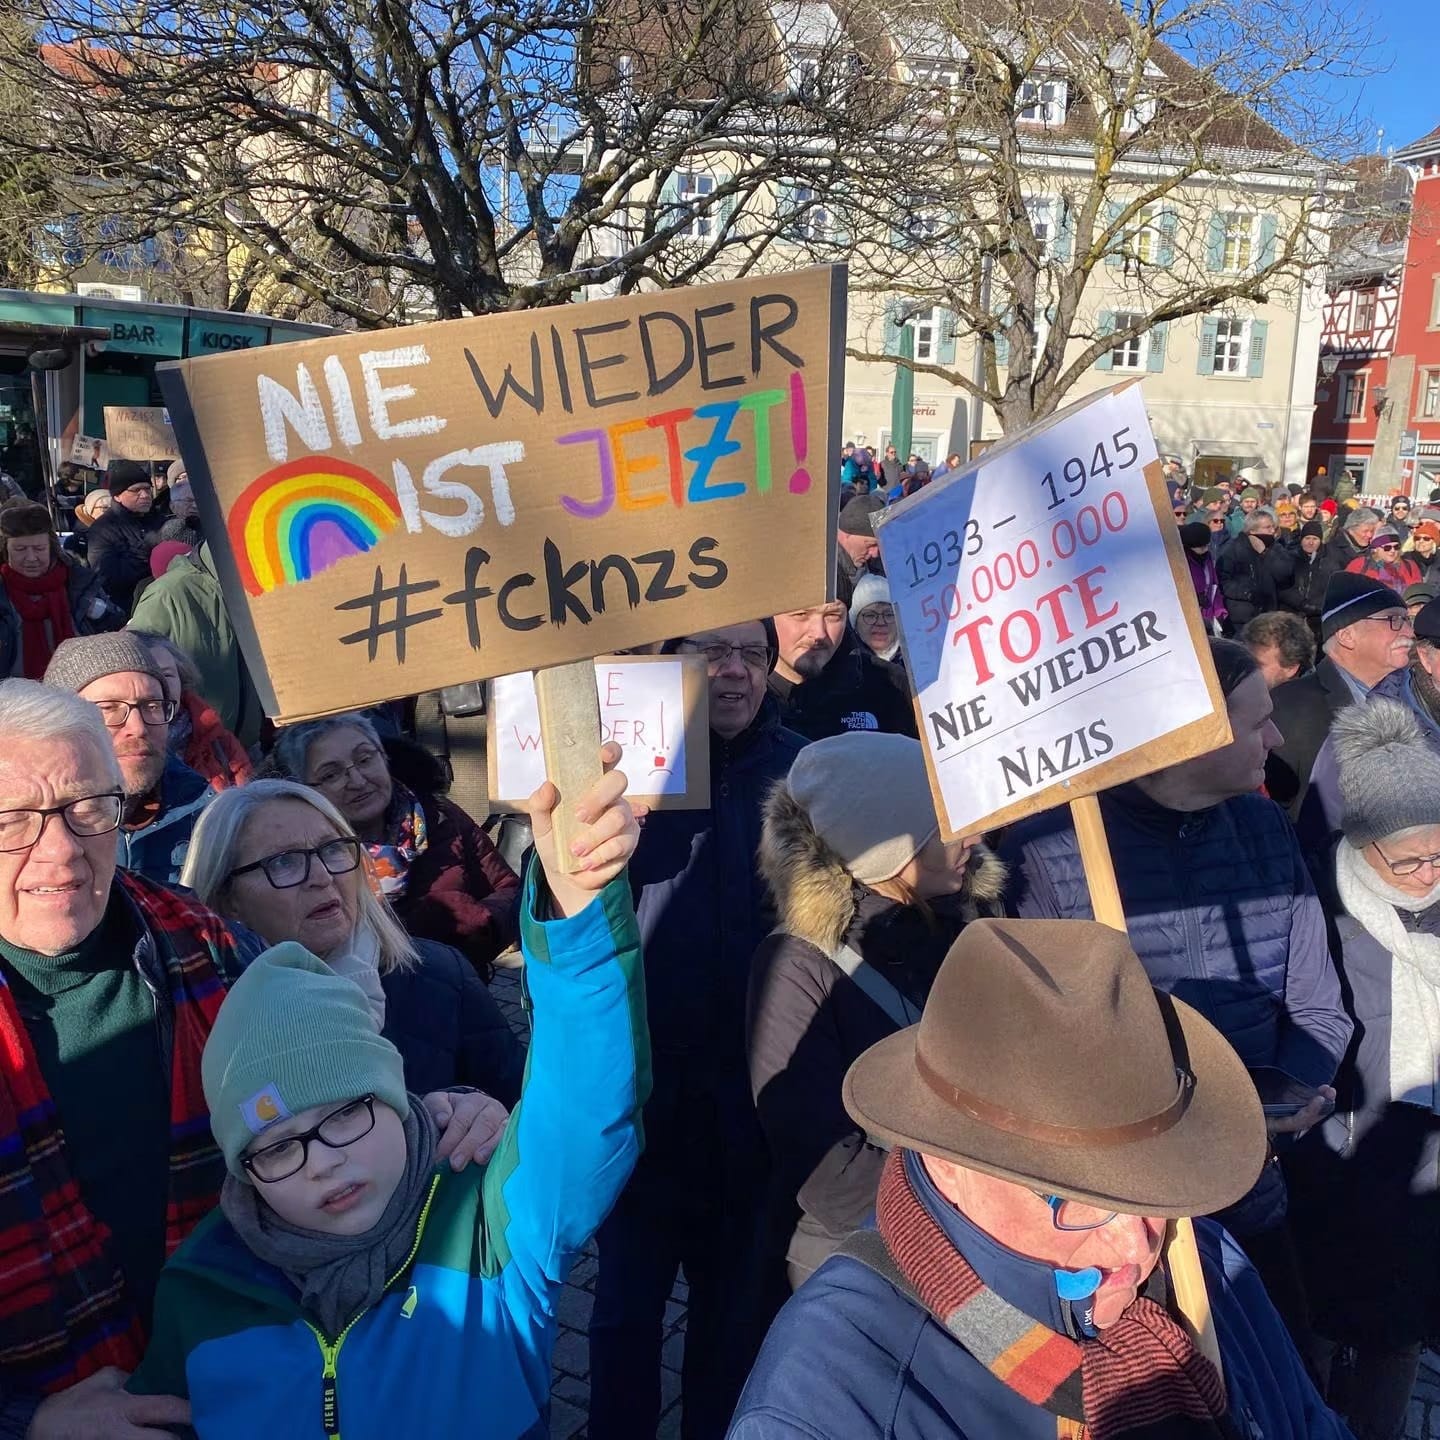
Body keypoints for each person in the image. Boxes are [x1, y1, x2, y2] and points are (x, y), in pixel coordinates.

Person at [124, 745, 649, 1439]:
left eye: (346, 1113)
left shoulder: (485, 1237)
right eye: (276, 1147)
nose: (321, 1159)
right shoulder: (201, 1292)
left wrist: (579, 912)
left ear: (399, 1098)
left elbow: (580, 1105)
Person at [728, 918, 1350, 1440]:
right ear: (948, 1158)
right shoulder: (825, 1401)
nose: (1138, 1247)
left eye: (1155, 1184)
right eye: (1080, 1201)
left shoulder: (1206, 1254)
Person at [1001, 639, 1350, 1326]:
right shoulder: (1048, 848)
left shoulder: (1263, 829)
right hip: (1126, 1210)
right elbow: (1043, 1049)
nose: (1277, 738)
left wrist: (1278, 1105)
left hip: (1256, 1181)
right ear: (1187, 731)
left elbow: (1317, 1008)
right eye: (1256, 722)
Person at [0, 680, 261, 1433]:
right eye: (13, 819)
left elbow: (323, 1110)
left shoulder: (204, 941)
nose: (61, 851)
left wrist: (436, 1113)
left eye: (88, 807)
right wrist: (27, 1422)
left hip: (239, 1371)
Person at [587, 620, 807, 1440]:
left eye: (753, 654)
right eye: (710, 652)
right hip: (641, 1098)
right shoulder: (609, 773)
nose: (734, 673)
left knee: (732, 1319)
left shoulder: (805, 770)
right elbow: (543, 911)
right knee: (621, 1320)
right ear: (665, 661)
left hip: (756, 1102)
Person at [747, 732, 1004, 1289]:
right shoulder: (798, 966)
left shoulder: (971, 926)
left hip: (988, 1234)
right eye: (948, 825)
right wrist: (971, 1206)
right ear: (890, 844)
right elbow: (823, 1165)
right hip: (879, 1254)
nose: (975, 836)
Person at [1286, 699, 1440, 1440]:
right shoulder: (1324, 903)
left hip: (1426, 1158)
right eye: (1407, 859)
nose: (1426, 874)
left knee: (1399, 1330)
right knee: (1320, 1316)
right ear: (1362, 844)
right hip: (1345, 1148)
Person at [179, 778, 525, 1107]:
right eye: (283, 862)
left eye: (332, 849)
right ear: (226, 898)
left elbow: (525, 1109)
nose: (323, 877)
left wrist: (482, 1117)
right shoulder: (199, 1020)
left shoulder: (439, 974)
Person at [273, 712, 520, 979]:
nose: (357, 781)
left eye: (365, 759)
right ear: (302, 789)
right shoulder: (298, 861)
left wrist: (477, 922)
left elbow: (509, 890)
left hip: (462, 996)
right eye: (331, 774)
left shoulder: (437, 814)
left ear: (385, 756)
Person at [43, 632, 213, 885]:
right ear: (60, 723)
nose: (138, 727)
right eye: (109, 708)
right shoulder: (18, 827)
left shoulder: (207, 818)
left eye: (152, 706)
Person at [1268, 573, 1412, 815]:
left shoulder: (1415, 692)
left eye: (1407, 620)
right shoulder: (1291, 705)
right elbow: (1280, 807)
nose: (1409, 631)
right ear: (1346, 635)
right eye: (1394, 620)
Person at [129, 542, 265, 749]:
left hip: (247, 747)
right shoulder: (168, 595)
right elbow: (136, 674)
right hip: (192, 752)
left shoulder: (258, 587)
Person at [0, 501, 123, 679]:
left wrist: (103, 614)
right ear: (5, 551)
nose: (31, 558)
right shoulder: (3, 591)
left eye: (39, 549)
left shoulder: (78, 582)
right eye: (20, 549)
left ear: (52, 548)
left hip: (78, 687)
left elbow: (117, 627)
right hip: (12, 698)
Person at [769, 601, 916, 740]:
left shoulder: (890, 686)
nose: (819, 633)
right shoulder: (748, 691)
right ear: (769, 616)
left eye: (833, 615)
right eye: (801, 614)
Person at [131, 629, 252, 791]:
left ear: (182, 678)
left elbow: (244, 801)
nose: (160, 686)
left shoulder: (218, 741)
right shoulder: (111, 746)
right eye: (148, 676)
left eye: (167, 675)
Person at [85, 460, 163, 612]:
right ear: (117, 496)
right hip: (128, 611)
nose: (145, 495)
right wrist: (148, 551)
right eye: (136, 490)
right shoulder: (103, 528)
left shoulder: (160, 519)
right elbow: (107, 577)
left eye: (148, 489)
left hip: (163, 603)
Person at [1218, 508, 1294, 630]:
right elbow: (1224, 581)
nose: (1272, 531)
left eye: (1273, 527)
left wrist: (1266, 553)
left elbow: (1285, 573)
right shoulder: (1233, 549)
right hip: (1242, 617)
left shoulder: (1276, 547)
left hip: (1268, 615)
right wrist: (1248, 593)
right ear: (1252, 530)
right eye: (1267, 527)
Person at [1279, 520, 1342, 643]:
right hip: (1291, 614)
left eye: (1315, 539)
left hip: (1317, 619)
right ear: (1302, 539)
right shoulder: (1290, 558)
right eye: (1307, 538)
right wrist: (1301, 603)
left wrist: (1317, 606)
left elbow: (1333, 588)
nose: (1311, 542)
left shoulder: (1330, 563)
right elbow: (1282, 586)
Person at [834, 494, 884, 608]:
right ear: (847, 534)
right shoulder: (826, 576)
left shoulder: (872, 566)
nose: (875, 553)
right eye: (871, 544)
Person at [1243, 610, 1315, 689]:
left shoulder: (1314, 699)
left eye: (1258, 665)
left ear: (1291, 669)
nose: (1245, 670)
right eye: (1245, 661)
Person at [1179, 520, 1227, 635]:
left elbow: (1214, 585)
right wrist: (1194, 598)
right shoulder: (1182, 562)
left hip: (1209, 614)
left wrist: (1220, 611)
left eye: (1207, 545)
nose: (1205, 550)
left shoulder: (1207, 557)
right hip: (1191, 618)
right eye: (1201, 547)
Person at [1345, 525, 1423, 590]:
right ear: (1376, 549)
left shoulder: (1410, 566)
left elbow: (1417, 593)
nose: (1392, 551)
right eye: (1387, 548)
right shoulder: (1359, 565)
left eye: (1396, 547)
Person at [848, 573, 900, 662]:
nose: (881, 622)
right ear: (855, 623)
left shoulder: (918, 658)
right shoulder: (847, 664)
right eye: (870, 615)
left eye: (889, 614)